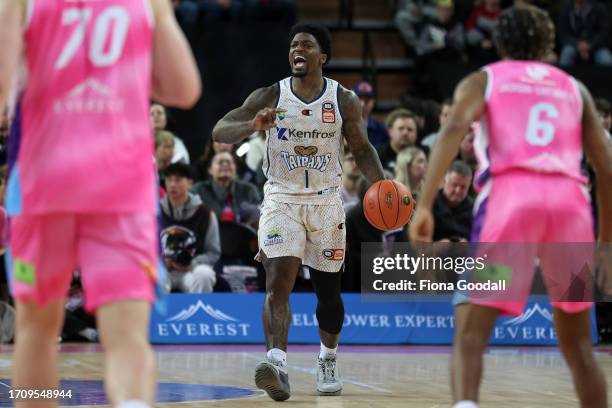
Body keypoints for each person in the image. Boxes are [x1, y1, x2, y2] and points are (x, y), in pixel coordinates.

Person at [409, 6, 612, 408]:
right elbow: (605, 164)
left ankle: (467, 404)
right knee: (577, 344)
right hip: (570, 211)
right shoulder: (575, 88)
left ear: (500, 42)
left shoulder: (484, 79)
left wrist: (425, 203)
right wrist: (606, 239)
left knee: (471, 327)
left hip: (511, 205)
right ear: (549, 44)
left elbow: (451, 130)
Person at [0, 1, 200, 408]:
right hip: (121, 189)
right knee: (127, 338)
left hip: (44, 186)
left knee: (36, 330)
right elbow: (183, 88)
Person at [212, 23, 385, 401]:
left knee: (329, 295)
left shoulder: (344, 100)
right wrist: (251, 125)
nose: (297, 50)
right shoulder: (271, 94)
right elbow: (220, 131)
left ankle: (328, 358)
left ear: (322, 56)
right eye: (292, 45)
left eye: (305, 44)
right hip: (281, 199)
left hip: (326, 202)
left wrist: (382, 184)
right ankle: (276, 364)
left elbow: (362, 149)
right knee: (278, 280)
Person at [161, 163, 220, 293]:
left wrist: (191, 264)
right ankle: (155, 313)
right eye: (169, 180)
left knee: (205, 274)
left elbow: (213, 252)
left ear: (190, 183)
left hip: (192, 269)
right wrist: (162, 261)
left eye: (177, 180)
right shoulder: (154, 212)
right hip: (163, 268)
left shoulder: (206, 214)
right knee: (152, 276)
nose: (172, 185)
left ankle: (200, 312)